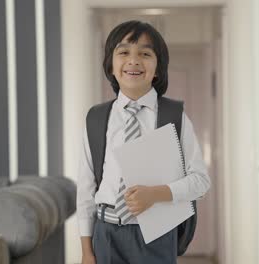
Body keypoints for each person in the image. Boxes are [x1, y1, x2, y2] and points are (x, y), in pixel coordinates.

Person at [77, 20, 211, 264]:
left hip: (156, 235)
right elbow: (86, 189)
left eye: (145, 53)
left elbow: (200, 181)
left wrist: (156, 194)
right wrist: (87, 251)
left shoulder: (173, 117)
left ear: (158, 68)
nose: (134, 60)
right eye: (124, 52)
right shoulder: (96, 119)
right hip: (105, 234)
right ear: (111, 64)